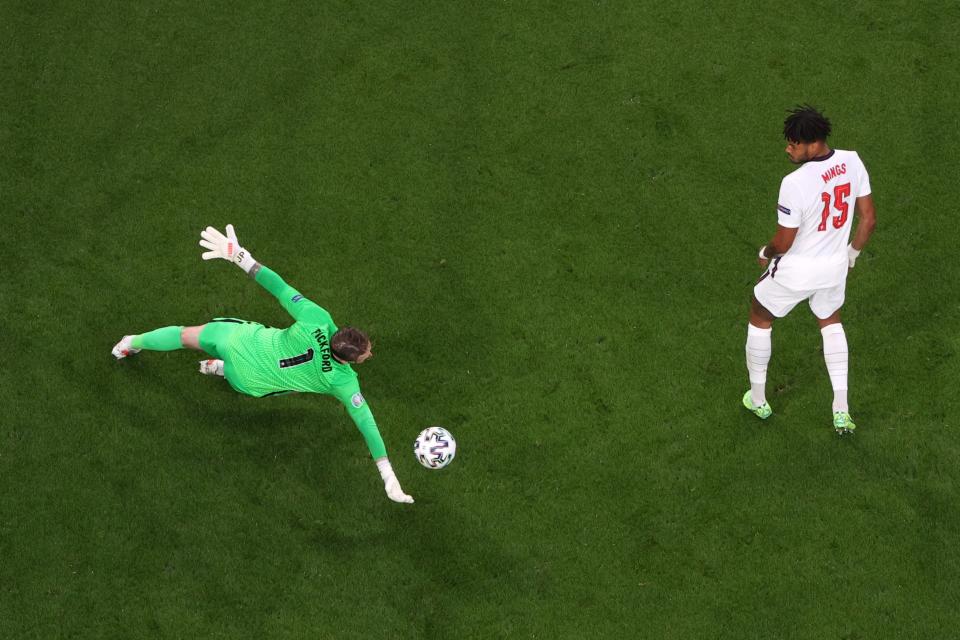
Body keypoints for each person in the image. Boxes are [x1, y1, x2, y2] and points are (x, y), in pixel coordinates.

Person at [111, 225, 414, 503]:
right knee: (277, 384)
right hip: (250, 379)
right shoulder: (343, 382)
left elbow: (279, 287)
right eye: (365, 355)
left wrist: (240, 257)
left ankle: (131, 343)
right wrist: (388, 475)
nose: (369, 355)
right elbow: (367, 424)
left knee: (182, 335)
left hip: (238, 341)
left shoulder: (318, 319)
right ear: (350, 360)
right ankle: (218, 368)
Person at [743, 106, 876, 434]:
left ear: (812, 143)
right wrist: (852, 256)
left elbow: (784, 242)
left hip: (796, 272)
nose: (788, 149)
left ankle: (758, 399)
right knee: (830, 322)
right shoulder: (853, 160)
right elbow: (868, 219)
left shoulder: (794, 183)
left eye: (793, 143)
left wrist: (766, 252)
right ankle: (841, 410)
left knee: (760, 314)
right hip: (834, 269)